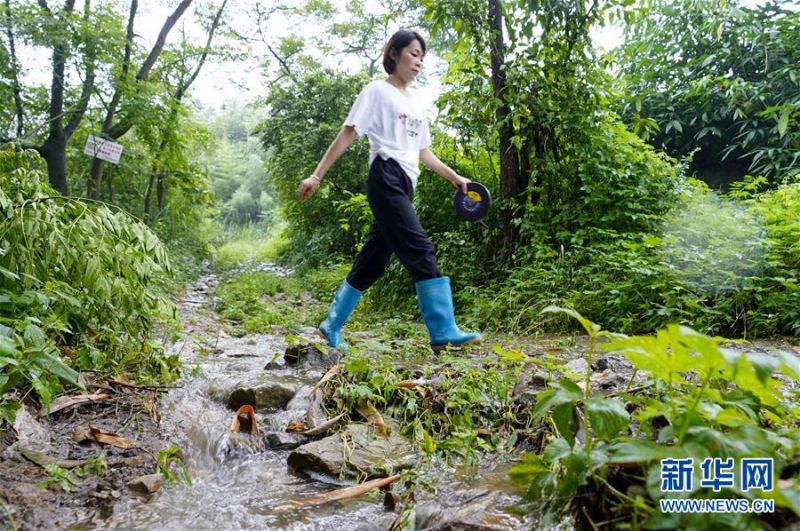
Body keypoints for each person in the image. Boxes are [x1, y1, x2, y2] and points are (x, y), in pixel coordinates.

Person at [297, 29, 481, 351]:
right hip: (385, 176)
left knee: (373, 261)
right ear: (394, 53)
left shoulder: (416, 104)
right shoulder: (376, 92)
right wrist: (317, 175)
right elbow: (349, 133)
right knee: (420, 248)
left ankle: (331, 326)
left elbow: (423, 152)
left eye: (422, 57)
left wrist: (456, 178)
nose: (419, 62)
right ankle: (443, 331)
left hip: (405, 183)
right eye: (413, 53)